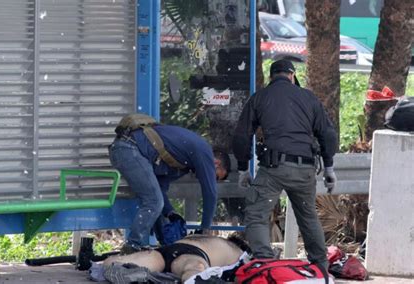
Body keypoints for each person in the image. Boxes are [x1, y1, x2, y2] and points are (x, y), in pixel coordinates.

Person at [232, 59, 338, 269]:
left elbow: (242, 136)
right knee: (308, 216)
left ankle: (264, 262)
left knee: (256, 214)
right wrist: (329, 166)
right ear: (292, 75)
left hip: (274, 169)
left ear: (271, 77)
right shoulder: (308, 97)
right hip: (305, 170)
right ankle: (321, 265)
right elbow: (328, 133)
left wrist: (243, 168)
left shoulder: (260, 97)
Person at [108, 115, 231, 254]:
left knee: (156, 202)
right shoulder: (204, 151)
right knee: (154, 202)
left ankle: (165, 246)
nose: (211, 179)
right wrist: (204, 229)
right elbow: (210, 194)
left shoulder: (183, 161)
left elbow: (159, 189)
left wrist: (171, 213)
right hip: (129, 149)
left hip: (125, 149)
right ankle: (132, 247)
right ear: (216, 164)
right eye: (215, 176)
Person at [102, 234, 250, 283]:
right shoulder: (241, 254)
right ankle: (194, 279)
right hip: (194, 254)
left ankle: (114, 265)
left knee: (112, 263)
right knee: (194, 269)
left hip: (166, 250)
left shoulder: (211, 238)